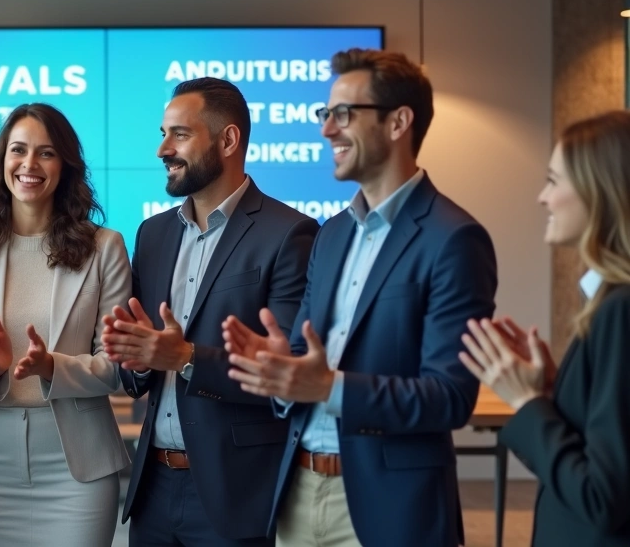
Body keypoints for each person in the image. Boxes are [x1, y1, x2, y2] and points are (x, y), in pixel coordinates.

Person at [223, 49, 498, 547]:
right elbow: (309, 364)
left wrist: (329, 386)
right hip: (298, 492)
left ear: (398, 122)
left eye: (343, 114)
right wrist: (281, 369)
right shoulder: (330, 236)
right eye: (324, 115)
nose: (327, 130)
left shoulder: (454, 239)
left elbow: (451, 398)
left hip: (390, 505)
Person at [102, 78, 318, 546]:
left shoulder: (290, 234)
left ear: (228, 139)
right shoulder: (153, 234)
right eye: (162, 133)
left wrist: (184, 356)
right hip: (153, 487)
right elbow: (140, 370)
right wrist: (134, 359)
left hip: (236, 492)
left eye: (179, 134)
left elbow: (285, 372)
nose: (163, 148)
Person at [0, 103, 131, 546]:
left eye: (46, 153)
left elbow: (116, 368)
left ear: (65, 165)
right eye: (18, 150)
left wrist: (52, 367)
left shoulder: (105, 248)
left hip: (77, 463)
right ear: (1, 161)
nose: (29, 165)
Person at [459, 111, 630, 546]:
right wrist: (556, 393)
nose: (542, 198)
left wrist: (527, 400)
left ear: (599, 191)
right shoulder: (608, 301)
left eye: (554, 181)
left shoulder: (618, 311)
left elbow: (601, 498)